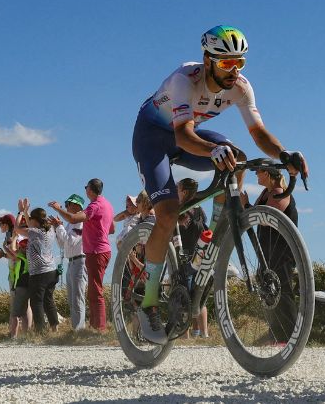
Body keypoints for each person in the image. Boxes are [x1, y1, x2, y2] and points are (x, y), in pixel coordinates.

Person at [131, 25, 309, 344]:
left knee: (237, 157)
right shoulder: (185, 80)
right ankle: (148, 306)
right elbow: (184, 135)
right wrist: (212, 149)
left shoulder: (240, 87)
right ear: (208, 60)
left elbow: (259, 134)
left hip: (188, 133)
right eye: (226, 63)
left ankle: (216, 227)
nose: (233, 70)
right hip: (154, 137)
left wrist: (284, 152)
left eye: (239, 62)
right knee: (168, 214)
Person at [246, 166, 299, 342]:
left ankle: (290, 335)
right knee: (268, 291)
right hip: (267, 250)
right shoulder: (264, 193)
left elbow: (266, 219)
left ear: (267, 174)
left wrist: (245, 205)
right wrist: (245, 206)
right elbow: (254, 215)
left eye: (258, 172)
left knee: (283, 291)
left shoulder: (279, 192)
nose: (255, 175)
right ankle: (276, 333)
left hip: (282, 251)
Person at [57, 179, 115, 331]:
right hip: (101, 249)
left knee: (95, 291)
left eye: (86, 187)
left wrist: (58, 209)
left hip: (96, 251)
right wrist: (97, 229)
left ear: (90, 189)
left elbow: (73, 218)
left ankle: (99, 328)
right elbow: (112, 228)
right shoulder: (107, 204)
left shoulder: (94, 205)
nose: (85, 189)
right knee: (93, 291)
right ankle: (95, 326)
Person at [15, 199, 59, 332]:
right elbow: (31, 223)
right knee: (48, 300)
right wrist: (26, 212)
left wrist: (20, 213)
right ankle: (54, 328)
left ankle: (41, 330)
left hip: (39, 273)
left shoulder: (34, 232)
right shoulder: (49, 230)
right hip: (52, 270)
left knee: (36, 302)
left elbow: (17, 229)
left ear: (35, 220)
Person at [48, 194, 87, 331]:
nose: (66, 207)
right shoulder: (71, 223)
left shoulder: (80, 222)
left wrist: (59, 227)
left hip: (79, 260)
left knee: (77, 298)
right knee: (72, 299)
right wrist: (56, 227)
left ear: (77, 206)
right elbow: (62, 245)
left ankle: (79, 330)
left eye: (68, 204)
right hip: (71, 262)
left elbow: (70, 242)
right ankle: (77, 328)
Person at [176, 178, 209, 338]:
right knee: (198, 294)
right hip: (200, 255)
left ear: (183, 191)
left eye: (177, 188)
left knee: (187, 294)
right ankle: (201, 333)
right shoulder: (200, 210)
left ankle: (186, 334)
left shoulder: (179, 209)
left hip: (187, 256)